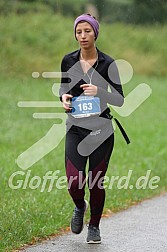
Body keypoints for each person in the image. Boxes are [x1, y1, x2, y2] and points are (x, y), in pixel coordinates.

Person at [59, 13, 124, 244]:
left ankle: (94, 226)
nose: (83, 36)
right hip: (76, 128)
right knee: (75, 182)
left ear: (95, 33)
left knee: (96, 181)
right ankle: (80, 206)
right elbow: (63, 88)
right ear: (75, 34)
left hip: (101, 130)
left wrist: (100, 92)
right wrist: (63, 98)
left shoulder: (108, 63)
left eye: (87, 31)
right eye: (79, 32)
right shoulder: (68, 60)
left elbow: (119, 99)